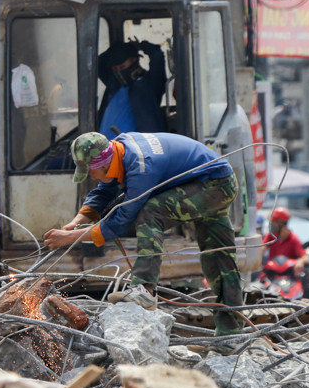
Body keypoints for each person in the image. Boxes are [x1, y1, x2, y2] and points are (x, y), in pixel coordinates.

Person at [44, 131, 243, 335]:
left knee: (150, 212)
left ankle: (144, 290)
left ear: (104, 163)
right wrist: (76, 222)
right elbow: (104, 190)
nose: (91, 177)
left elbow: (120, 222)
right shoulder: (118, 150)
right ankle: (231, 335)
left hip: (216, 185)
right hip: (210, 181)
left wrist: (70, 238)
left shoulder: (141, 168)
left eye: (91, 171)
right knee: (219, 260)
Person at [96, 40, 168, 136]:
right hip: (105, 144)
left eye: (122, 67)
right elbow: (99, 62)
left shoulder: (149, 85)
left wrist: (139, 46)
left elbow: (157, 55)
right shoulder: (114, 85)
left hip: (133, 144)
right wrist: (123, 47)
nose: (119, 72)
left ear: (134, 60)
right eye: (115, 69)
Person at [263, 207, 309, 274]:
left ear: (281, 223)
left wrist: (300, 262)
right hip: (272, 274)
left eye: (273, 222)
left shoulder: (293, 239)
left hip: (288, 276)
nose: (271, 225)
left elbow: (305, 257)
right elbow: (261, 249)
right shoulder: (271, 236)